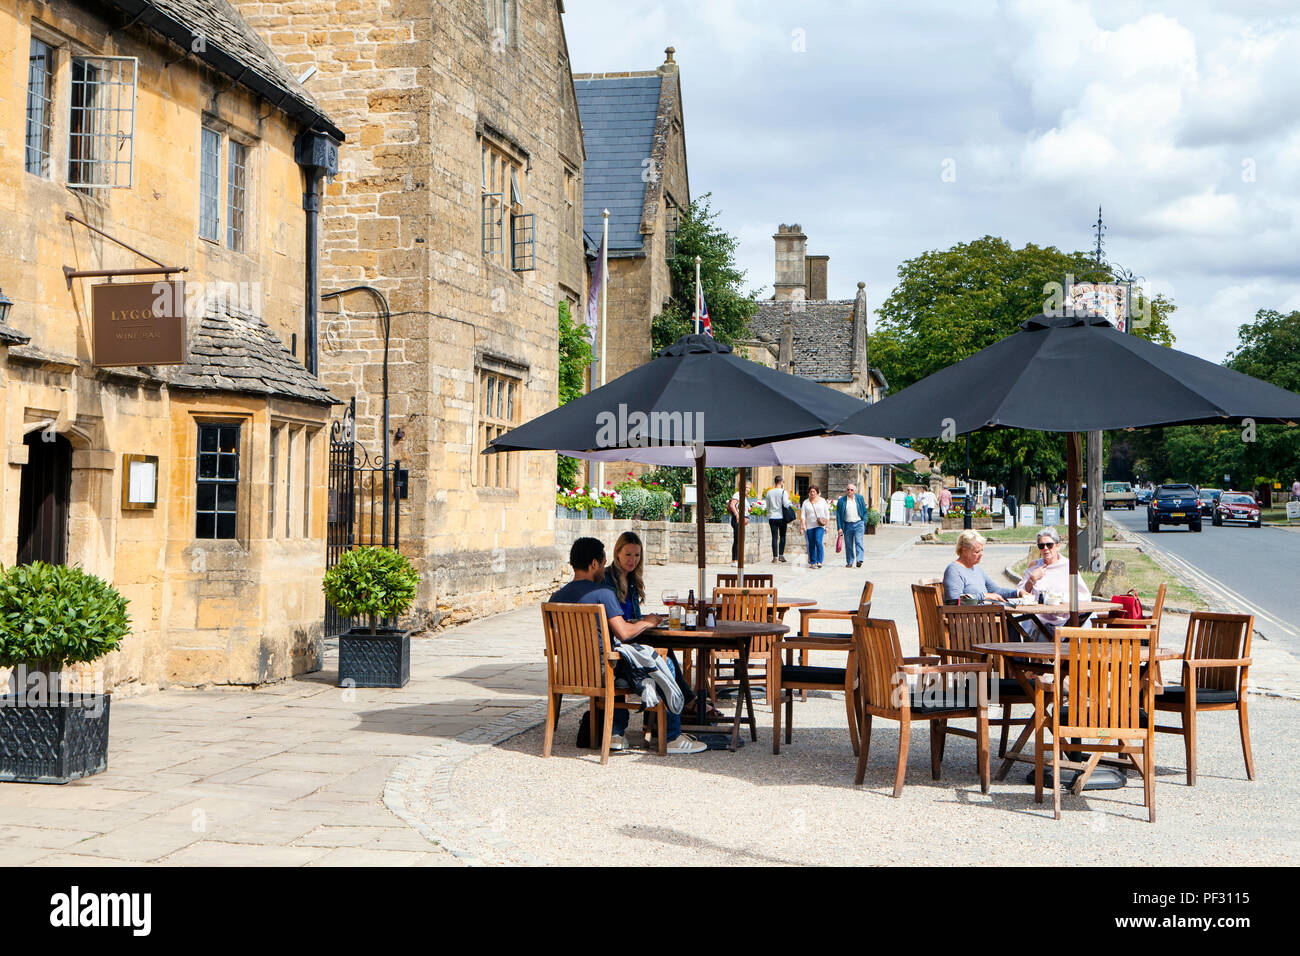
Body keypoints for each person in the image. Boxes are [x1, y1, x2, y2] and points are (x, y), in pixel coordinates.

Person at [551, 537, 706, 754]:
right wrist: (648, 622)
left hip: (570, 672)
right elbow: (623, 633)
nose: (604, 568)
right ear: (594, 564)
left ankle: (615, 734)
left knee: (634, 658)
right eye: (604, 562)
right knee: (664, 664)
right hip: (605, 671)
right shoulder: (603, 594)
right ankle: (671, 737)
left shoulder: (556, 597)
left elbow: (556, 646)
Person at [602, 531, 699, 717]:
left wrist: (646, 621)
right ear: (617, 554)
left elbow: (632, 617)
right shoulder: (608, 580)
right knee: (666, 659)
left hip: (629, 636)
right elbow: (620, 625)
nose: (633, 560)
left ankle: (677, 706)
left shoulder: (632, 580)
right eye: (628, 554)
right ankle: (683, 708)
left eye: (637, 555)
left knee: (665, 647)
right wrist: (645, 623)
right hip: (618, 645)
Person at [1013, 527, 1091, 640]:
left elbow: (1084, 596)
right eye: (1041, 546)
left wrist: (1063, 598)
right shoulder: (1034, 566)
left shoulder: (1069, 566)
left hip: (1065, 620)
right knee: (1040, 640)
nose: (1045, 549)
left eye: (1049, 545)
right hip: (1040, 621)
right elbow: (1020, 592)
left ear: (1058, 545)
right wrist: (1032, 579)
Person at [943, 530, 1019, 605]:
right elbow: (955, 602)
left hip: (984, 614)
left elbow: (996, 591)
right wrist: (984, 596)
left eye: (981, 550)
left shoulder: (977, 569)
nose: (981, 554)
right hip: (969, 616)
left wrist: (1017, 593)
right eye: (977, 552)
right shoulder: (954, 570)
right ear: (964, 551)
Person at [835, 483, 867, 568]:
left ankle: (859, 560)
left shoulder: (859, 498)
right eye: (848, 489)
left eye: (851, 490)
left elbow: (864, 511)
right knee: (848, 544)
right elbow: (838, 515)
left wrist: (864, 521)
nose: (849, 491)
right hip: (847, 524)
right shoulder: (842, 500)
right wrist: (839, 527)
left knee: (858, 542)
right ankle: (849, 561)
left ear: (854, 491)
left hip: (858, 523)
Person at [764, 476, 794, 563]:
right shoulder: (783, 492)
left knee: (774, 537)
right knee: (782, 536)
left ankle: (775, 557)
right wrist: (790, 503)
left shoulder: (769, 492)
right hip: (781, 517)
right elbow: (785, 504)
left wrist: (770, 512)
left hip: (772, 517)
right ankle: (781, 555)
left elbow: (767, 506)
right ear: (781, 482)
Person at [799, 484, 830, 568]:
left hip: (820, 525)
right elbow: (803, 516)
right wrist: (802, 526)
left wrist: (827, 526)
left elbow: (827, 514)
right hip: (809, 526)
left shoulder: (822, 501)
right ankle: (813, 562)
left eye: (814, 491)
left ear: (817, 492)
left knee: (818, 541)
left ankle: (819, 561)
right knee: (811, 544)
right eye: (811, 492)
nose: (812, 493)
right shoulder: (806, 502)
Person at [726, 479, 749, 563]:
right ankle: (735, 560)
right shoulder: (737, 494)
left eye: (749, 488)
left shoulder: (744, 496)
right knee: (737, 540)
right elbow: (732, 505)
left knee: (740, 540)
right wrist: (737, 515)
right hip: (737, 520)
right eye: (746, 487)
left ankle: (739, 560)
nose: (748, 489)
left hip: (742, 521)